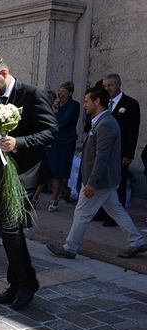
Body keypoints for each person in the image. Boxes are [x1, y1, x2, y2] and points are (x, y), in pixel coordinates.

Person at [0, 50, 58, 310]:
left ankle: (27, 283)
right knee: (6, 230)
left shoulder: (32, 94)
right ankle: (15, 283)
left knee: (10, 228)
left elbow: (51, 131)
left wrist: (18, 143)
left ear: (4, 73)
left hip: (25, 173)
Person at [46, 86, 147, 259]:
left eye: (87, 101)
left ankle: (70, 248)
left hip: (99, 180)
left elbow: (102, 157)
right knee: (116, 210)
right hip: (104, 180)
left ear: (97, 102)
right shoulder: (101, 121)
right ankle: (137, 241)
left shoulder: (106, 123)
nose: (84, 105)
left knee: (82, 213)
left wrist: (92, 182)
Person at [97, 73, 142, 226]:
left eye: (110, 85)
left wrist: (128, 154)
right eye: (105, 86)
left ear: (118, 85)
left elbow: (133, 131)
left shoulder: (130, 104)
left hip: (120, 151)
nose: (107, 88)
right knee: (103, 181)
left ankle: (114, 217)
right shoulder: (102, 103)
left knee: (118, 183)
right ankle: (101, 211)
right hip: (104, 150)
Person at [32, 81, 80, 211]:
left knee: (57, 172)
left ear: (70, 92)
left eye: (63, 90)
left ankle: (54, 200)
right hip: (52, 141)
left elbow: (64, 122)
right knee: (45, 169)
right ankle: (35, 198)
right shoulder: (56, 105)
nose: (60, 93)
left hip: (64, 143)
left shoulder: (74, 105)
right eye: (59, 90)